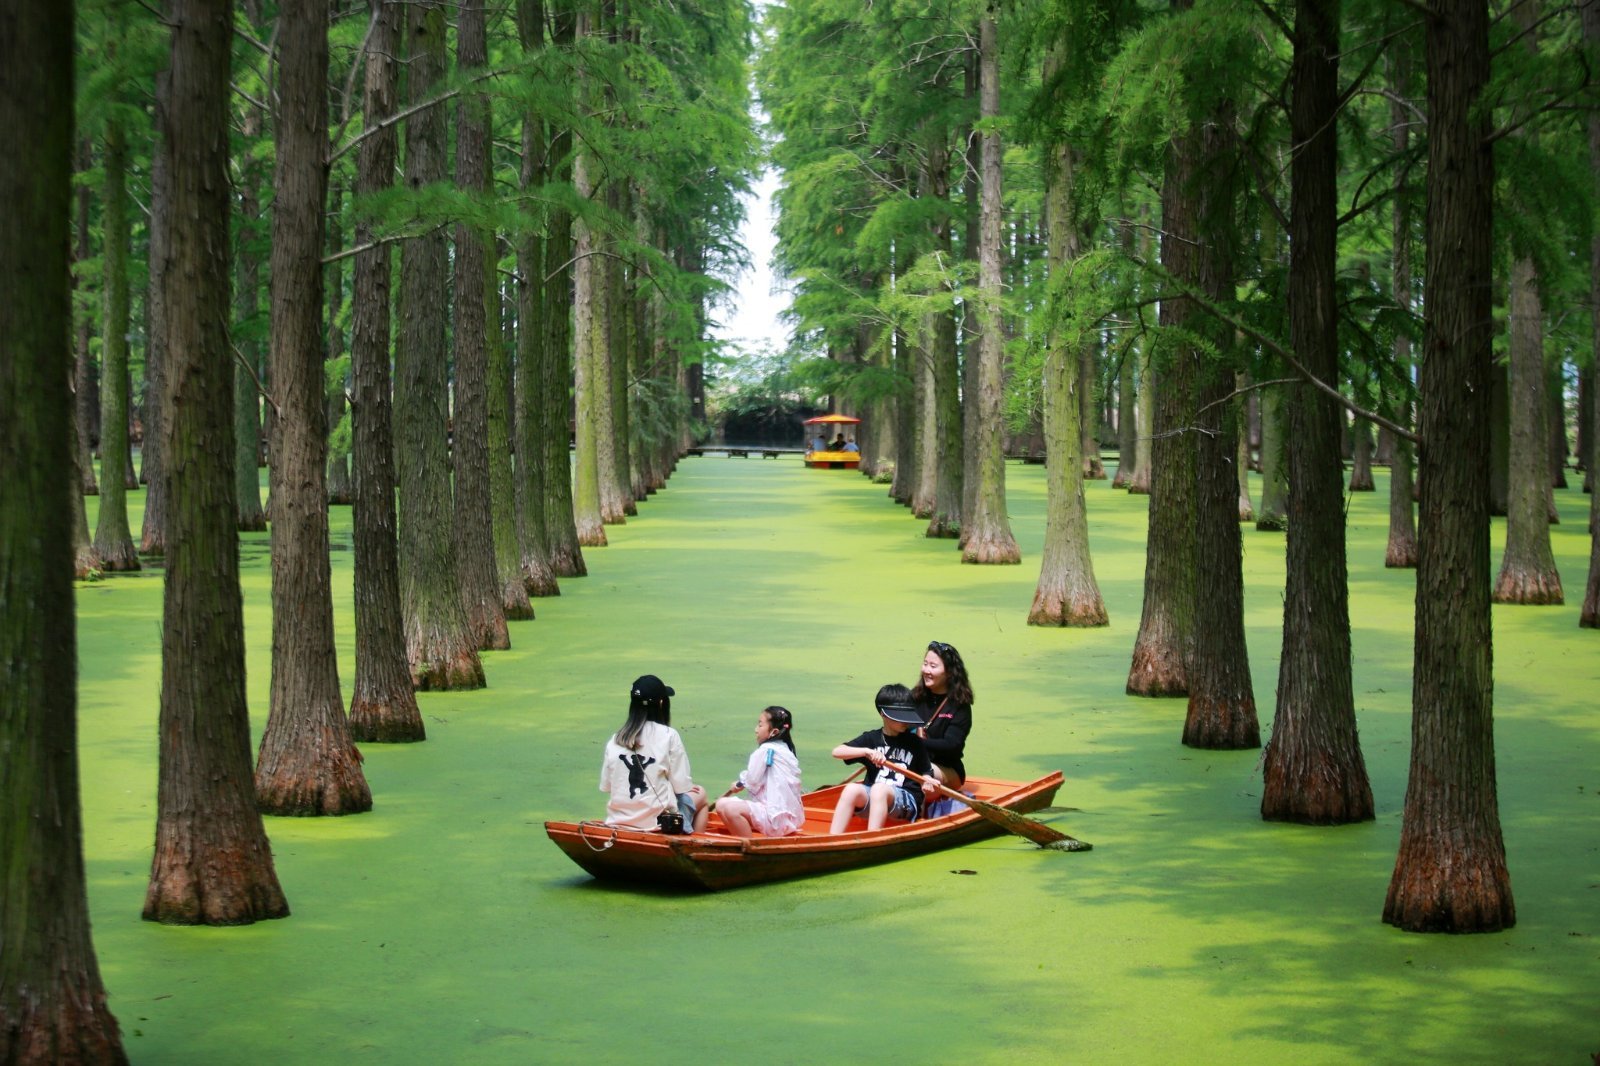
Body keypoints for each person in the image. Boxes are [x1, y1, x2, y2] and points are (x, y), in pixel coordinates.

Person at [599, 675, 708, 833]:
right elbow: (681, 785)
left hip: (618, 821)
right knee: (702, 795)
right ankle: (696, 844)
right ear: (662, 703)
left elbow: (607, 786)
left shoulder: (616, 739)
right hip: (658, 823)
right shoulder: (669, 735)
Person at [828, 684, 931, 833]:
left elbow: (926, 771)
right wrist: (866, 752)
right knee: (851, 789)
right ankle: (833, 840)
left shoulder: (915, 742)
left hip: (906, 802)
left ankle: (873, 839)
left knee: (879, 790)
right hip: (875, 797)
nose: (905, 722)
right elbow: (837, 752)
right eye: (900, 718)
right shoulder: (871, 739)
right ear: (883, 714)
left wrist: (927, 781)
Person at [714, 706, 804, 838]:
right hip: (786, 817)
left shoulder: (765, 749)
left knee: (730, 810)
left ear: (774, 731)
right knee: (721, 803)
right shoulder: (785, 749)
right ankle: (741, 840)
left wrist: (739, 783)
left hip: (774, 816)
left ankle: (749, 846)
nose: (756, 730)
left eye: (760, 725)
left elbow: (752, 781)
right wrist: (743, 781)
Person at [911, 640, 974, 799]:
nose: (926, 670)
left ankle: (919, 818)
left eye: (933, 666)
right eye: (925, 664)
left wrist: (916, 742)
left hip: (945, 768)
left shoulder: (959, 705)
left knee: (920, 774)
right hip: (910, 763)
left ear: (950, 673)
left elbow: (952, 745)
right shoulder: (914, 698)